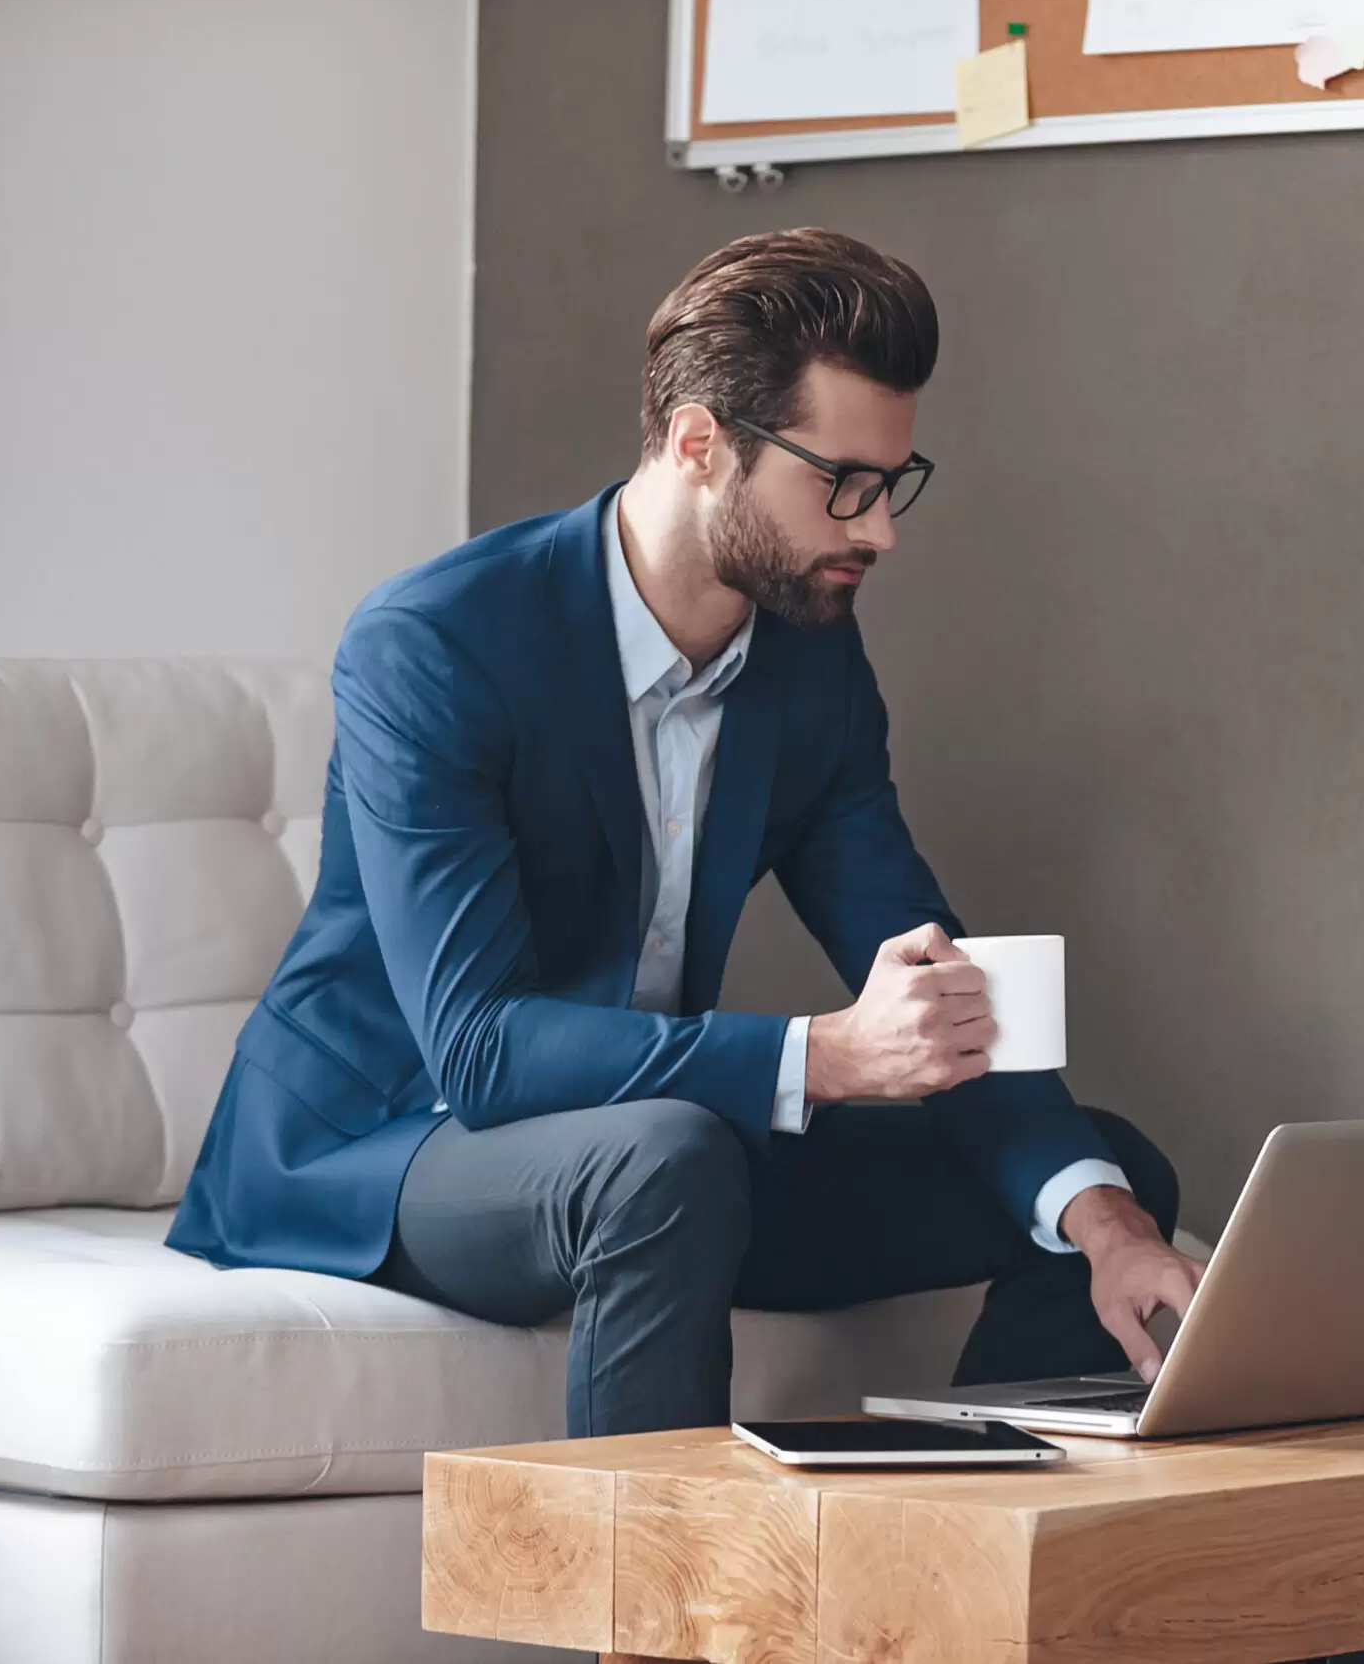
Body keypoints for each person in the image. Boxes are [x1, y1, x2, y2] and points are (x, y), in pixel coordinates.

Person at [167, 228, 1202, 1436]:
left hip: (656, 1146)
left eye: (892, 482)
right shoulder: (438, 642)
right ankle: (656, 1619)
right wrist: (820, 1056)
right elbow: (480, 1049)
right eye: (843, 482)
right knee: (666, 1159)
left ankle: (950, 1556)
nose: (879, 530)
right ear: (702, 443)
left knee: (1110, 1173)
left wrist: (1105, 1222)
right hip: (387, 1142)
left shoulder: (810, 659)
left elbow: (925, 966)